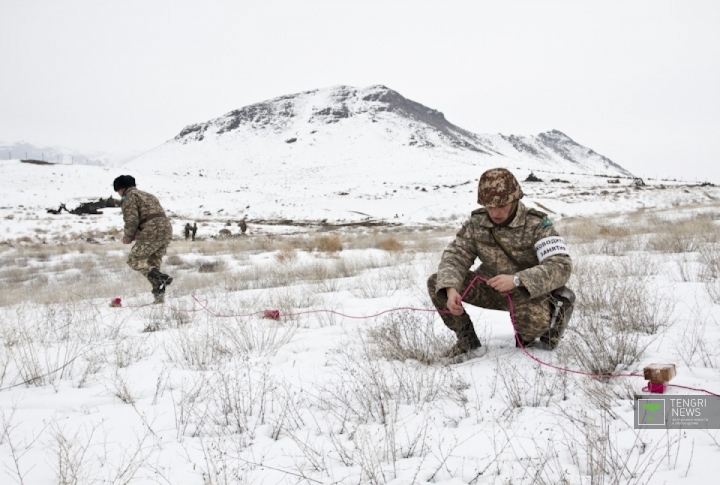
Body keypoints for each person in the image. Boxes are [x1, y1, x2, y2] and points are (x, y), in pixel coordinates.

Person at [427, 168, 573, 357]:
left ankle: (533, 333)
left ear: (515, 199)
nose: (495, 212)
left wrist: (517, 279)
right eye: (489, 206)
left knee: (532, 326)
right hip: (489, 288)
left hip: (525, 291)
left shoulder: (538, 224)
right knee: (437, 283)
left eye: (502, 205)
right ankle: (467, 340)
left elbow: (561, 266)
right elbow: (456, 255)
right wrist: (451, 288)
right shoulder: (476, 223)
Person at [114, 175, 174, 304]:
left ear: (122, 188)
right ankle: (159, 299)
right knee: (153, 265)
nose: (119, 194)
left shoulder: (129, 197)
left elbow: (131, 219)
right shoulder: (149, 195)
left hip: (150, 231)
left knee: (134, 260)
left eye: (118, 191)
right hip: (166, 230)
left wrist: (128, 237)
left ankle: (161, 278)